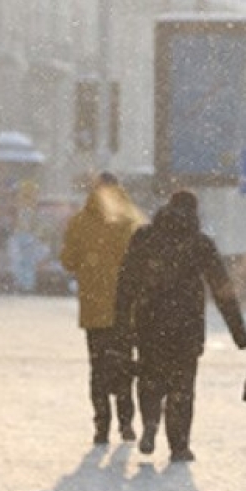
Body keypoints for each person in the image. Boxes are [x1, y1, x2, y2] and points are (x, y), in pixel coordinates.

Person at [114, 190, 246, 463]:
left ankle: (150, 421)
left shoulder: (145, 238)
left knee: (150, 376)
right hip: (187, 326)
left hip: (149, 322)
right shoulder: (199, 244)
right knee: (182, 386)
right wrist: (238, 331)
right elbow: (222, 289)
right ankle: (179, 446)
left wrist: (121, 323)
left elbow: (126, 283)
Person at [60, 172, 145, 445]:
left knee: (98, 369)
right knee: (124, 367)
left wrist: (89, 261)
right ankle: (126, 422)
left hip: (94, 311)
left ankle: (101, 426)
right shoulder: (131, 222)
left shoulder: (80, 223)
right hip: (126, 311)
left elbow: (68, 261)